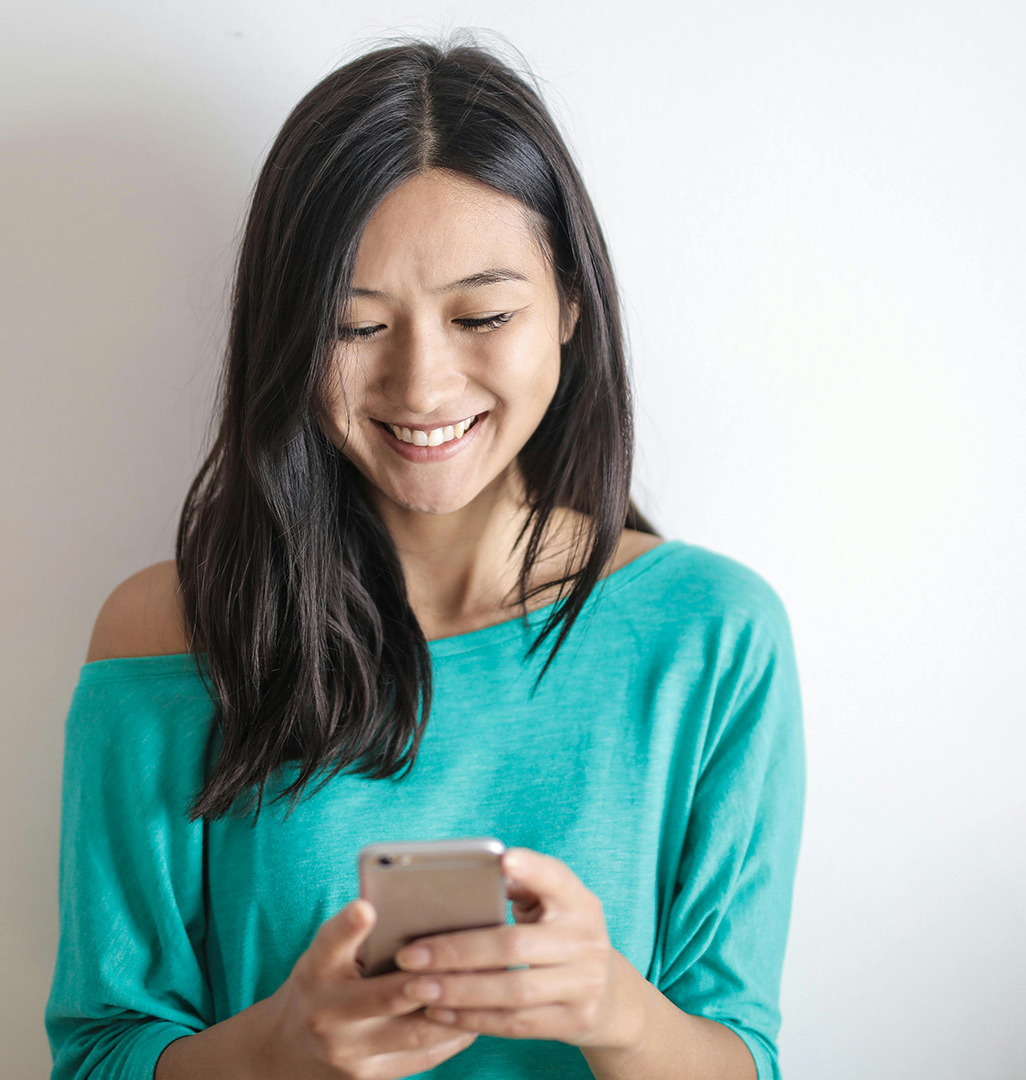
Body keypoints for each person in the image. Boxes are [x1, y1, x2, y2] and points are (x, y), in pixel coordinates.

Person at [44, 34, 805, 1080]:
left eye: (482, 315)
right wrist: (277, 1049)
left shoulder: (712, 636)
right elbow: (97, 1055)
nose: (423, 385)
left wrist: (615, 1012)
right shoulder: (170, 635)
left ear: (572, 308)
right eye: (356, 327)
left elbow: (741, 1055)